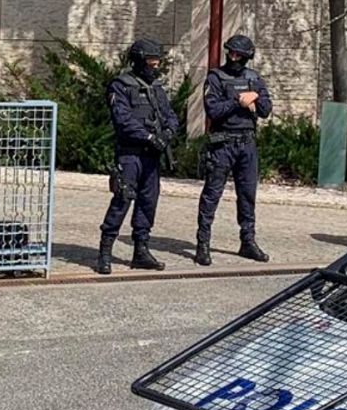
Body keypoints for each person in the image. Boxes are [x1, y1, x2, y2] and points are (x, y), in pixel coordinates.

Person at [98, 39, 179, 274]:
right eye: (151, 63)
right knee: (123, 198)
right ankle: (105, 251)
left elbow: (170, 116)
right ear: (139, 61)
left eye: (157, 64)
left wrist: (167, 133)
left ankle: (141, 251)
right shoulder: (120, 86)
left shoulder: (155, 87)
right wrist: (148, 137)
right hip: (129, 155)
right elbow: (123, 121)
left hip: (151, 158)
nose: (155, 67)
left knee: (148, 202)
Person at [196, 34, 273, 265]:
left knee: (248, 195)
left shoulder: (254, 79)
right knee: (212, 194)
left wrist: (256, 97)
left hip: (247, 144)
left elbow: (266, 109)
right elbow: (213, 110)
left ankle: (247, 241)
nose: (233, 57)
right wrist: (238, 102)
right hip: (223, 143)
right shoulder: (216, 77)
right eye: (230, 52)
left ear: (247, 57)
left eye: (238, 54)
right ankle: (203, 243)